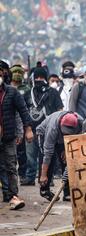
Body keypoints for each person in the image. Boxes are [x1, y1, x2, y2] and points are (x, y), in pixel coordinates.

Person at [0, 60, 34, 210]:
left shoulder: (12, 92)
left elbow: (24, 112)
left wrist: (27, 130)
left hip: (8, 136)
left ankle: (12, 195)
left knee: (11, 166)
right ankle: (7, 192)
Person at [22, 66, 63, 187]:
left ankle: (47, 178)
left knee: (47, 155)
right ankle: (30, 177)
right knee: (30, 155)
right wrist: (27, 128)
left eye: (42, 77)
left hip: (48, 130)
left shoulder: (53, 92)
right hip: (32, 129)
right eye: (37, 77)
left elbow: (60, 109)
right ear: (33, 79)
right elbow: (23, 112)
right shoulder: (28, 93)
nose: (39, 79)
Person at [37, 111, 83, 202]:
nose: (66, 134)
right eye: (65, 133)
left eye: (68, 133)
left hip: (64, 140)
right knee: (50, 160)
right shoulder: (52, 128)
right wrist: (43, 175)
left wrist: (68, 150)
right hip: (44, 133)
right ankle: (44, 189)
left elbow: (79, 139)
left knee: (67, 161)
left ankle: (67, 193)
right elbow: (47, 154)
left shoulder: (80, 122)